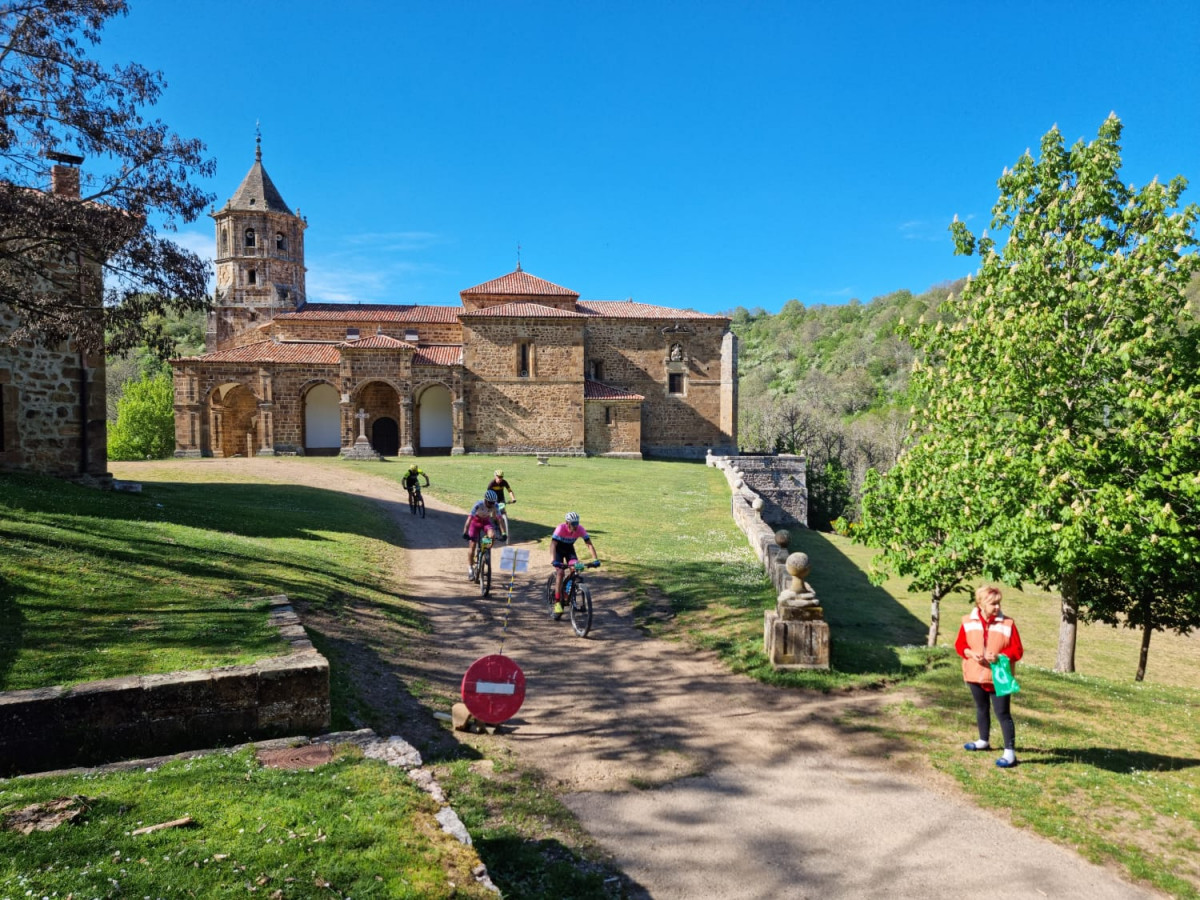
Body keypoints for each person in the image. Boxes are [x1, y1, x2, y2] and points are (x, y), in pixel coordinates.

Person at [955, 585, 1024, 768]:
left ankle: (1010, 753)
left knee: (1003, 713)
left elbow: (1017, 650)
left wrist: (1001, 656)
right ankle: (983, 741)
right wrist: (970, 653)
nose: (997, 607)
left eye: (998, 603)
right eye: (993, 603)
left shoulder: (1008, 624)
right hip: (974, 674)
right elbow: (960, 645)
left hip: (999, 676)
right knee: (981, 708)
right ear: (980, 603)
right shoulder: (967, 621)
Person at [550, 511, 598, 616]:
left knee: (576, 568)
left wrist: (595, 560)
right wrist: (554, 560)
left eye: (577, 523)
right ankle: (557, 601)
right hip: (558, 551)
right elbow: (553, 544)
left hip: (569, 551)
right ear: (567, 523)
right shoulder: (560, 528)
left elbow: (589, 544)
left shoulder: (580, 529)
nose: (576, 526)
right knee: (560, 573)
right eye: (573, 524)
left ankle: (567, 593)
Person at [463, 490, 505, 580]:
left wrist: (504, 533)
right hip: (475, 523)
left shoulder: (495, 505)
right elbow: (469, 519)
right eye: (490, 502)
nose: (491, 504)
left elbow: (500, 519)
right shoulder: (478, 504)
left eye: (493, 502)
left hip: (486, 522)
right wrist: (465, 532)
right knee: (472, 545)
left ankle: (484, 549)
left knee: (492, 535)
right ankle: (470, 568)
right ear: (485, 500)